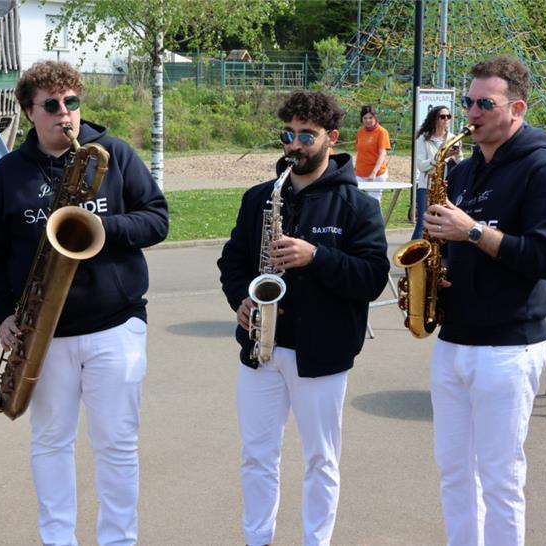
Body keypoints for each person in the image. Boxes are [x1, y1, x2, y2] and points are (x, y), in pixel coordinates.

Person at [0, 60, 168, 546]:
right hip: (45, 332)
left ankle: (119, 540)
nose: (65, 114)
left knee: (117, 445)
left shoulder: (115, 155)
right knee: (50, 443)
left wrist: (107, 229)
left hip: (115, 325)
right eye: (52, 105)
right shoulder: (8, 175)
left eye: (72, 102)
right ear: (28, 112)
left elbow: (157, 219)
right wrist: (2, 313)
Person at [217, 90, 390, 546]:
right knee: (257, 456)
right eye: (288, 135)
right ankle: (258, 539)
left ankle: (317, 541)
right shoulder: (260, 198)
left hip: (322, 352)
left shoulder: (358, 206)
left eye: (305, 136)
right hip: (261, 348)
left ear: (331, 138)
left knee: (320, 459)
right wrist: (241, 299)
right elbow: (232, 262)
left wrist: (316, 257)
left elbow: (372, 278)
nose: (293, 145)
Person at [423, 56, 546, 546]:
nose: (472, 112)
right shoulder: (464, 171)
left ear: (517, 109)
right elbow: (454, 243)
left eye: (485, 103)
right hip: (454, 340)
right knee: (452, 472)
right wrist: (438, 267)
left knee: (500, 477)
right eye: (468, 102)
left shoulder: (544, 169)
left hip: (508, 347)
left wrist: (472, 232)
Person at [412, 106, 463, 239]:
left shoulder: (454, 138)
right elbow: (421, 166)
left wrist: (457, 155)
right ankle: (414, 257)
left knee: (442, 225)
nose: (446, 119)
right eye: (442, 116)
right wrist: (443, 155)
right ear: (434, 119)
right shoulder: (423, 138)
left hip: (445, 187)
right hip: (427, 186)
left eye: (448, 116)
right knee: (423, 224)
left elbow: (460, 164)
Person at [354, 104, 391, 203]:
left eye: (370, 117)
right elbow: (360, 152)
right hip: (360, 173)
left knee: (374, 201)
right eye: (365, 118)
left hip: (376, 174)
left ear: (375, 117)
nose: (368, 120)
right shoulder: (360, 132)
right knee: (355, 199)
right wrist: (355, 168)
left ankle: (375, 218)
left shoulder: (382, 132)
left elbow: (382, 154)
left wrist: (373, 173)